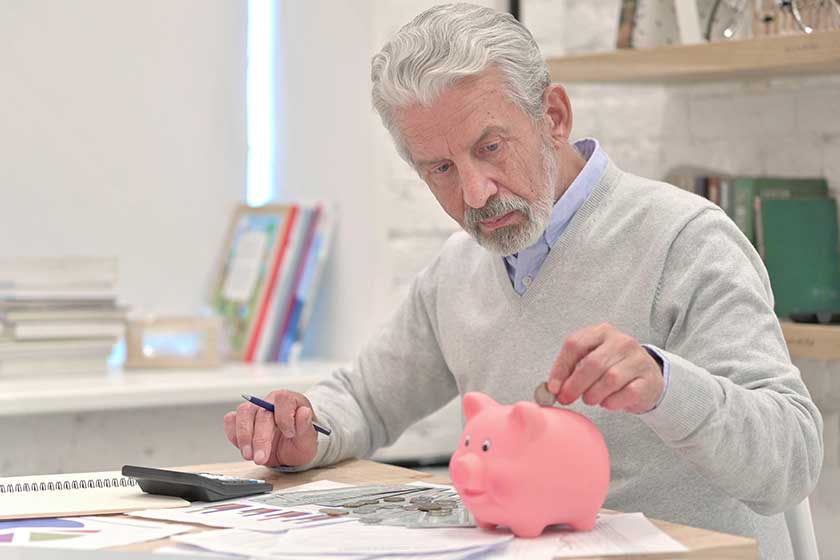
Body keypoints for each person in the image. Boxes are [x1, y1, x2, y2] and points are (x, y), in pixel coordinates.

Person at [223, 4, 823, 558]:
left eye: (490, 147)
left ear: (553, 117)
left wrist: (665, 385)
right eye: (441, 168)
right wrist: (303, 431)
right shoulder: (458, 270)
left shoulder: (685, 239)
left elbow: (792, 460)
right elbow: (363, 400)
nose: (474, 193)